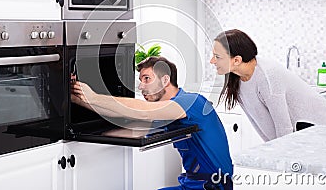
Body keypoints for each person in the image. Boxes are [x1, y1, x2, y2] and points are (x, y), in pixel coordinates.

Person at [71, 56, 233, 190]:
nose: (141, 86)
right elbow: (122, 112)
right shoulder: (166, 112)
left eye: (147, 79)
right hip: (192, 184)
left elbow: (143, 110)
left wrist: (94, 97)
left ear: (165, 80)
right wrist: (78, 99)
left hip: (213, 186)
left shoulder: (191, 101)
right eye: (140, 80)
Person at [210, 29, 326, 142]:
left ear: (237, 60)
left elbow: (284, 128)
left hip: (318, 126)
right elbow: (260, 123)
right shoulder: (236, 78)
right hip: (297, 132)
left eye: (217, 57)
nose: (212, 61)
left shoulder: (268, 78)